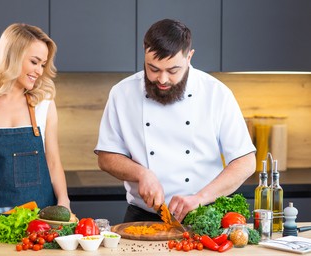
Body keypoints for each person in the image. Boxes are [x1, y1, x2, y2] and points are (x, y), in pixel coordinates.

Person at [94, 19, 256, 223]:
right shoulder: (122, 93)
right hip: (143, 216)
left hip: (203, 216)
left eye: (172, 71)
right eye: (153, 69)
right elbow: (106, 156)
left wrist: (200, 198)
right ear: (144, 52)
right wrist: (141, 173)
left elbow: (246, 162)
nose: (162, 79)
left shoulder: (216, 93)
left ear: (189, 57)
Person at [0, 23, 70, 230]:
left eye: (43, 64)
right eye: (34, 62)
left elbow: (53, 162)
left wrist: (64, 201)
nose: (39, 71)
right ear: (12, 57)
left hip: (43, 222)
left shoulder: (44, 104)